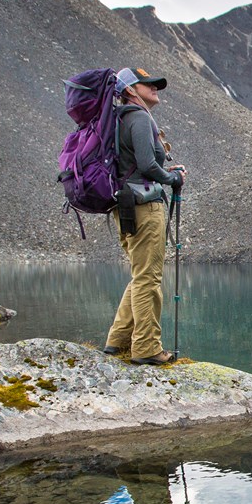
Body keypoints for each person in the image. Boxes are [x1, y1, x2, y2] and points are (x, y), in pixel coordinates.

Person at [103, 66, 187, 365]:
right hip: (143, 206)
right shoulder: (138, 117)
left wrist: (166, 172)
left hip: (126, 205)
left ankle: (118, 340)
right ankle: (147, 348)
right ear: (129, 90)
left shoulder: (119, 119)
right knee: (149, 279)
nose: (154, 88)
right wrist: (172, 178)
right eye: (146, 84)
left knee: (141, 275)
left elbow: (139, 164)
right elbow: (148, 164)